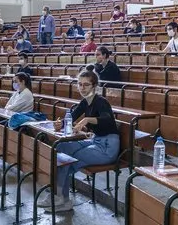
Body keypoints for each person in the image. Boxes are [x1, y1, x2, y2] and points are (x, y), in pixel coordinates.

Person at [40, 66, 119, 213]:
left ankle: (59, 197)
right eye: (80, 84)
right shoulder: (84, 102)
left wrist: (87, 119)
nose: (82, 88)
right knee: (62, 149)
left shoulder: (101, 101)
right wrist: (60, 124)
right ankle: (61, 197)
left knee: (69, 158)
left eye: (86, 84)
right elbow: (72, 117)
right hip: (95, 141)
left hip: (107, 147)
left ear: (94, 86)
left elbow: (108, 120)